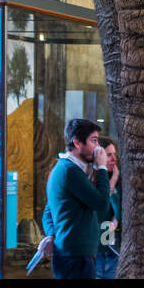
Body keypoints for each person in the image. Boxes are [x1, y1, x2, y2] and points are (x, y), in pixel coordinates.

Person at [41, 118, 110, 279]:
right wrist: (102, 168)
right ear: (77, 143)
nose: (98, 148)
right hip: (76, 257)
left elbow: (49, 210)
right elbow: (101, 204)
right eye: (93, 141)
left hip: (72, 255)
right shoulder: (70, 171)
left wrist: (52, 234)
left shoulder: (64, 169)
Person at [95, 136, 121, 279]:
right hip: (95, 248)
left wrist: (113, 183)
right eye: (109, 155)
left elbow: (119, 212)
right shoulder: (91, 178)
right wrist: (110, 186)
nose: (114, 159)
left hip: (112, 246)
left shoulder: (118, 180)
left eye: (114, 155)